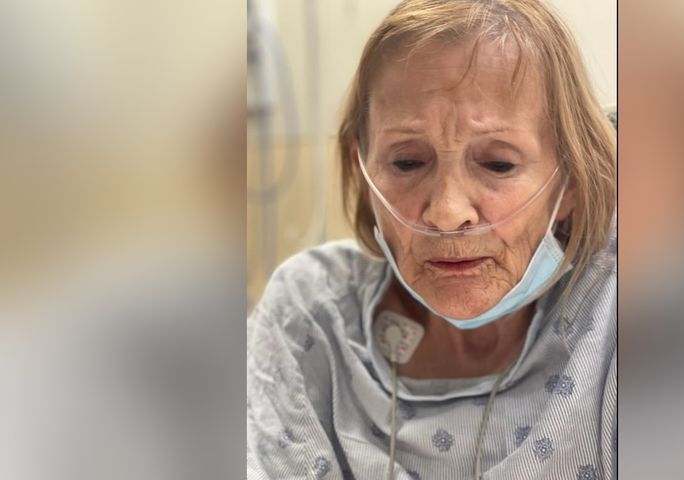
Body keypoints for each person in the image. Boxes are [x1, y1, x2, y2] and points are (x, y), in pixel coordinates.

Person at [247, 1, 616, 478]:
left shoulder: (617, 324)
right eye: (407, 162)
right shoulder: (311, 319)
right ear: (363, 170)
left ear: (571, 179)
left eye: (498, 163)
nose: (446, 213)